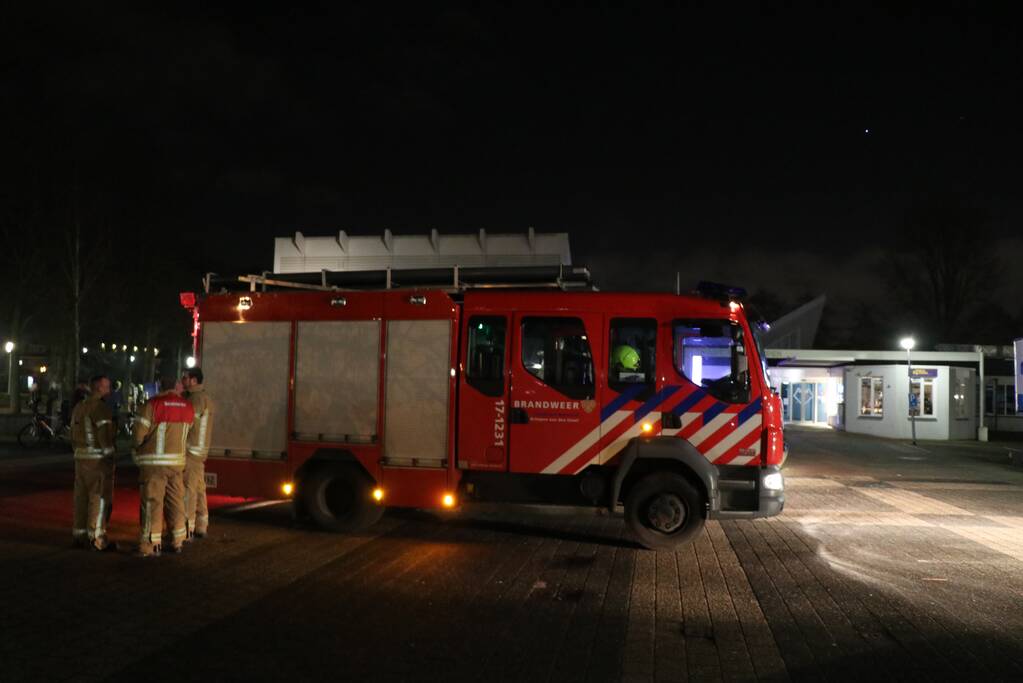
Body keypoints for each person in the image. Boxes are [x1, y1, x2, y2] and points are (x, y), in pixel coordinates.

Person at [132, 376, 193, 557]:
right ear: (176, 386)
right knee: (175, 502)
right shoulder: (187, 407)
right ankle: (177, 541)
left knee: (152, 503)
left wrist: (136, 449)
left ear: (160, 386)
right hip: (177, 464)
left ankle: (150, 544)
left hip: (154, 465)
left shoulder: (152, 405)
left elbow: (137, 436)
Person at [70, 375, 117, 551]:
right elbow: (105, 436)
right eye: (107, 386)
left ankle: (79, 535)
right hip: (97, 461)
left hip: (80, 459)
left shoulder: (79, 407)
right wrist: (110, 455)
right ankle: (96, 537)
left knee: (80, 498)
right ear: (99, 387)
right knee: (98, 498)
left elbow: (72, 434)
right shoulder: (100, 408)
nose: (109, 390)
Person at [182, 367, 214, 540]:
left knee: (188, 490)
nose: (182, 380)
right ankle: (201, 525)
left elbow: (186, 424)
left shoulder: (194, 400)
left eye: (185, 378)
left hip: (190, 450)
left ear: (193, 380)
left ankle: (187, 529)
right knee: (200, 489)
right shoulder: (206, 398)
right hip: (200, 451)